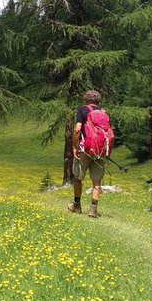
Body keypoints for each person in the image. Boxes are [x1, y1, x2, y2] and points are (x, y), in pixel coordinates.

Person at [68, 90, 111, 218]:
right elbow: (111, 135)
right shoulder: (104, 114)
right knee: (97, 181)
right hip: (100, 152)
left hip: (85, 149)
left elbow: (77, 129)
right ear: (98, 101)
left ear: (86, 100)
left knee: (78, 177)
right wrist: (107, 152)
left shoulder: (83, 110)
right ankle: (93, 209)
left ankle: (77, 205)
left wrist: (74, 147)